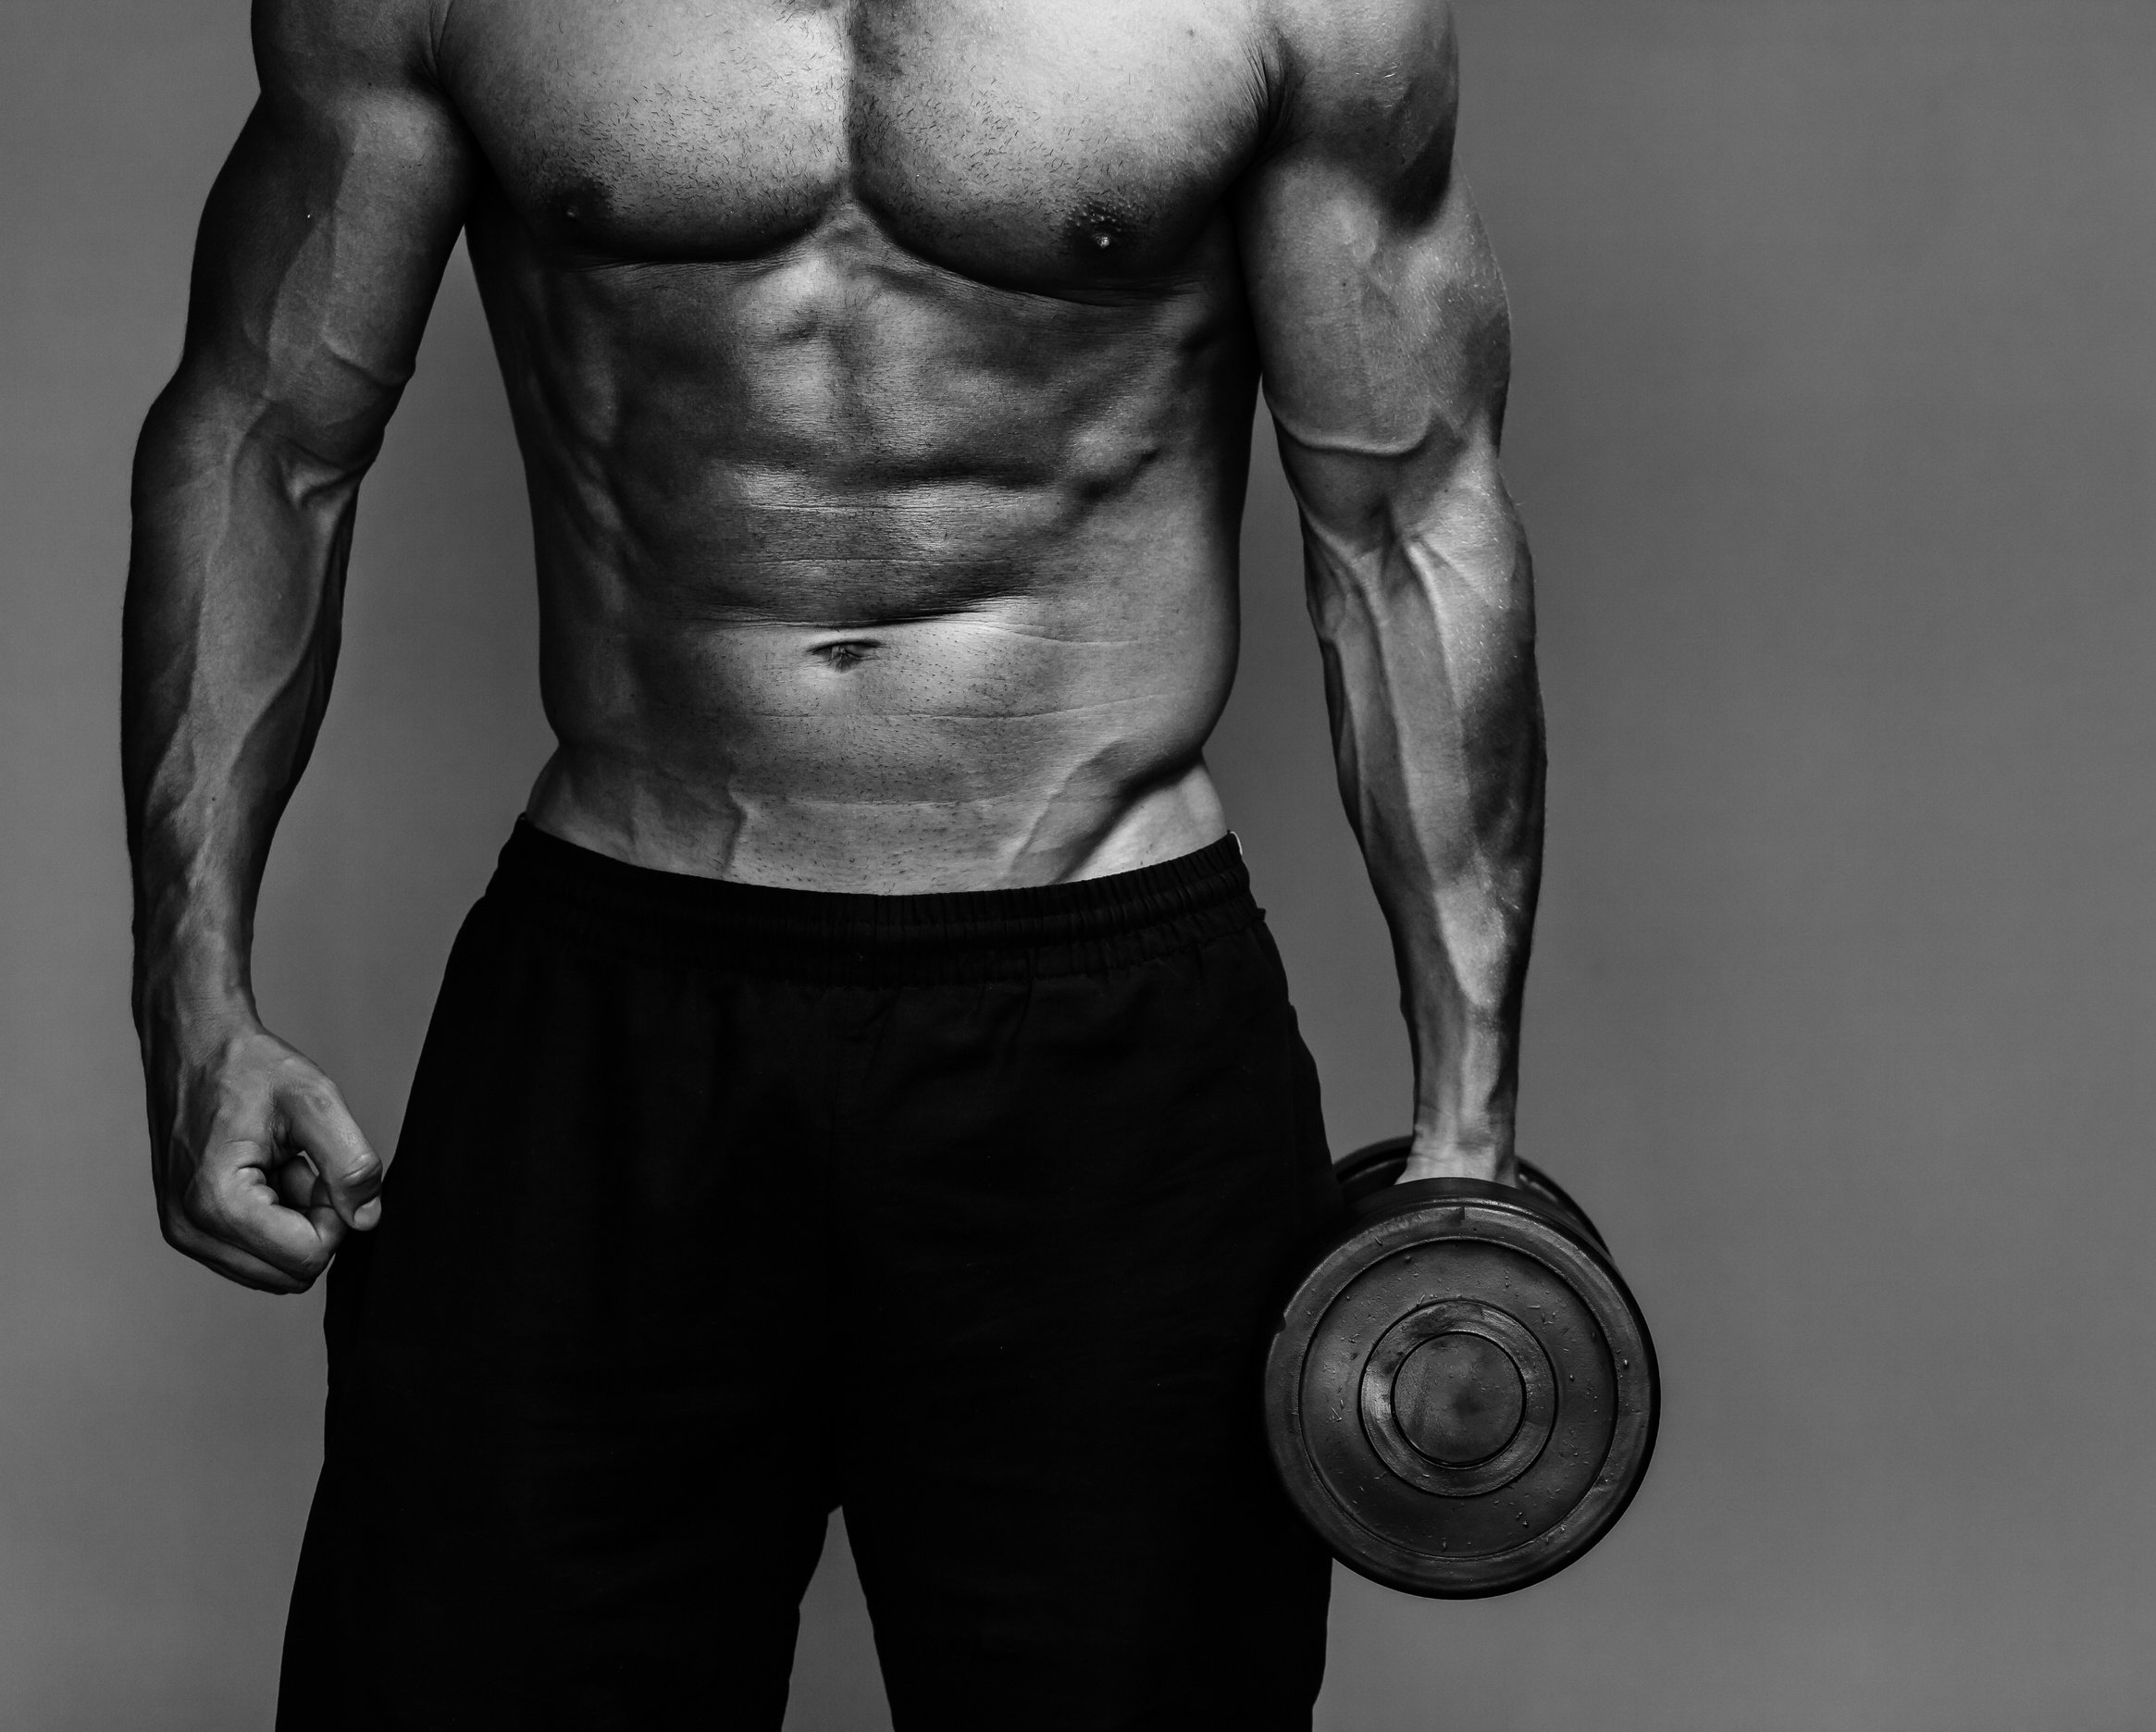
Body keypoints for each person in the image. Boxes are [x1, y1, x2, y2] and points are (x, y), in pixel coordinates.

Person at [122, 0, 1542, 1722]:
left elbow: (1402, 521)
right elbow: (268, 443)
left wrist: (1467, 1130)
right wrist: (193, 1004)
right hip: (615, 1016)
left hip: (1103, 1032)